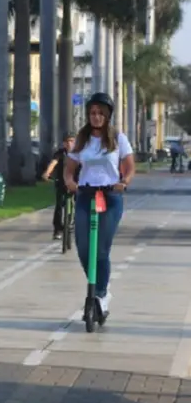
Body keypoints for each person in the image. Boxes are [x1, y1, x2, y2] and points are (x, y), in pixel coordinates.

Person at [63, 92, 135, 317]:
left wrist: (124, 182)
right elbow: (69, 169)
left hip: (110, 197)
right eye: (92, 113)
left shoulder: (118, 139)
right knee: (84, 248)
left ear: (107, 116)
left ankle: (100, 295)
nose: (96, 117)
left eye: (100, 113)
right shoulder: (82, 139)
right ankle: (99, 290)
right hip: (86, 195)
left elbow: (130, 167)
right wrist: (70, 183)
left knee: (101, 249)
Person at [42, 132, 77, 240]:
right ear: (63, 143)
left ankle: (75, 221)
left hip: (76, 183)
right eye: (67, 141)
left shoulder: (79, 154)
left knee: (79, 202)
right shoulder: (60, 153)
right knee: (59, 206)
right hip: (61, 182)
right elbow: (53, 163)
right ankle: (57, 230)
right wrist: (47, 173)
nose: (69, 144)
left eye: (71, 141)